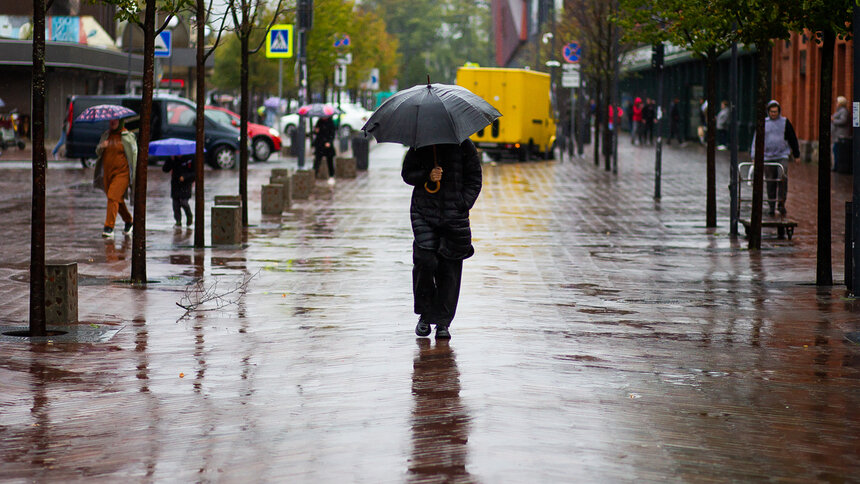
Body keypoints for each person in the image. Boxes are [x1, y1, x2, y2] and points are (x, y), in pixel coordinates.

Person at [401, 140, 482, 339]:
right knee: (425, 262)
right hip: (424, 213)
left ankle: (444, 322)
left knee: (450, 269)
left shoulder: (465, 146)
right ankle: (425, 316)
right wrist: (427, 174)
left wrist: (463, 203)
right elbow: (407, 174)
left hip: (454, 216)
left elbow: (474, 178)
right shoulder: (420, 145)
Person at [750, 100, 800, 217]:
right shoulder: (763, 123)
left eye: (775, 112)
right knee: (770, 181)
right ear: (768, 112)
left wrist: (796, 155)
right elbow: (756, 140)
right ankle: (771, 205)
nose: (774, 114)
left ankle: (781, 203)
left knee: (782, 178)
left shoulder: (785, 122)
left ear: (779, 112)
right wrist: (754, 156)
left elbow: (792, 138)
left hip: (782, 155)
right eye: (772, 112)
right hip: (767, 157)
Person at [93, 118, 136, 238]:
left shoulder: (127, 136)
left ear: (121, 121)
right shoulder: (106, 135)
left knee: (112, 196)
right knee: (116, 199)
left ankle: (109, 227)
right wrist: (102, 146)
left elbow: (134, 155)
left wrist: (134, 176)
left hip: (122, 174)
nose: (112, 122)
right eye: (111, 120)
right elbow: (97, 152)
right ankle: (129, 221)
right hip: (108, 174)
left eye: (115, 120)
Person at [162, 154, 196, 227]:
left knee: (184, 202)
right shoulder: (172, 158)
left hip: (186, 185)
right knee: (176, 204)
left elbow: (194, 173)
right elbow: (165, 169)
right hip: (175, 184)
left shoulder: (190, 158)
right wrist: (170, 160)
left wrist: (185, 177)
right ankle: (178, 221)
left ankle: (189, 215)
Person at [313, 115, 336, 185]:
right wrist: (316, 130)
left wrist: (329, 142)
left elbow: (332, 134)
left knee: (330, 161)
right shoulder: (319, 122)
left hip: (327, 145)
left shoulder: (330, 122)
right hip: (320, 145)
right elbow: (316, 132)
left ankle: (331, 176)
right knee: (317, 160)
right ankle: (314, 175)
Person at [832, 95, 852, 173]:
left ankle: (837, 166)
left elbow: (843, 121)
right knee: (835, 150)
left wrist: (833, 120)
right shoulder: (839, 111)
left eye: (837, 102)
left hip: (841, 135)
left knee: (837, 151)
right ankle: (836, 166)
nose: (836, 103)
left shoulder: (843, 111)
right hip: (837, 135)